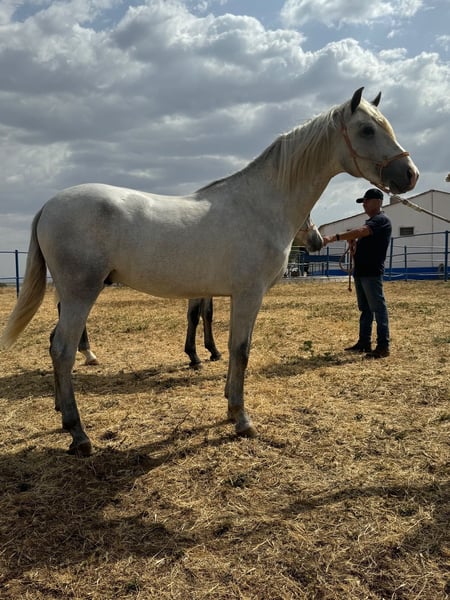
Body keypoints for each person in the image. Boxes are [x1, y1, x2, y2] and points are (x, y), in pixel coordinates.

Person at [322, 188, 392, 359]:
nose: (364, 204)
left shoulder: (380, 221)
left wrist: (333, 237)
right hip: (362, 272)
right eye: (363, 202)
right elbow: (362, 235)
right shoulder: (373, 222)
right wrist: (355, 248)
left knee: (377, 309)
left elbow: (361, 232)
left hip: (371, 272)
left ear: (377, 202)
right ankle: (364, 342)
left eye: (366, 201)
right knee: (366, 309)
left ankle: (383, 346)